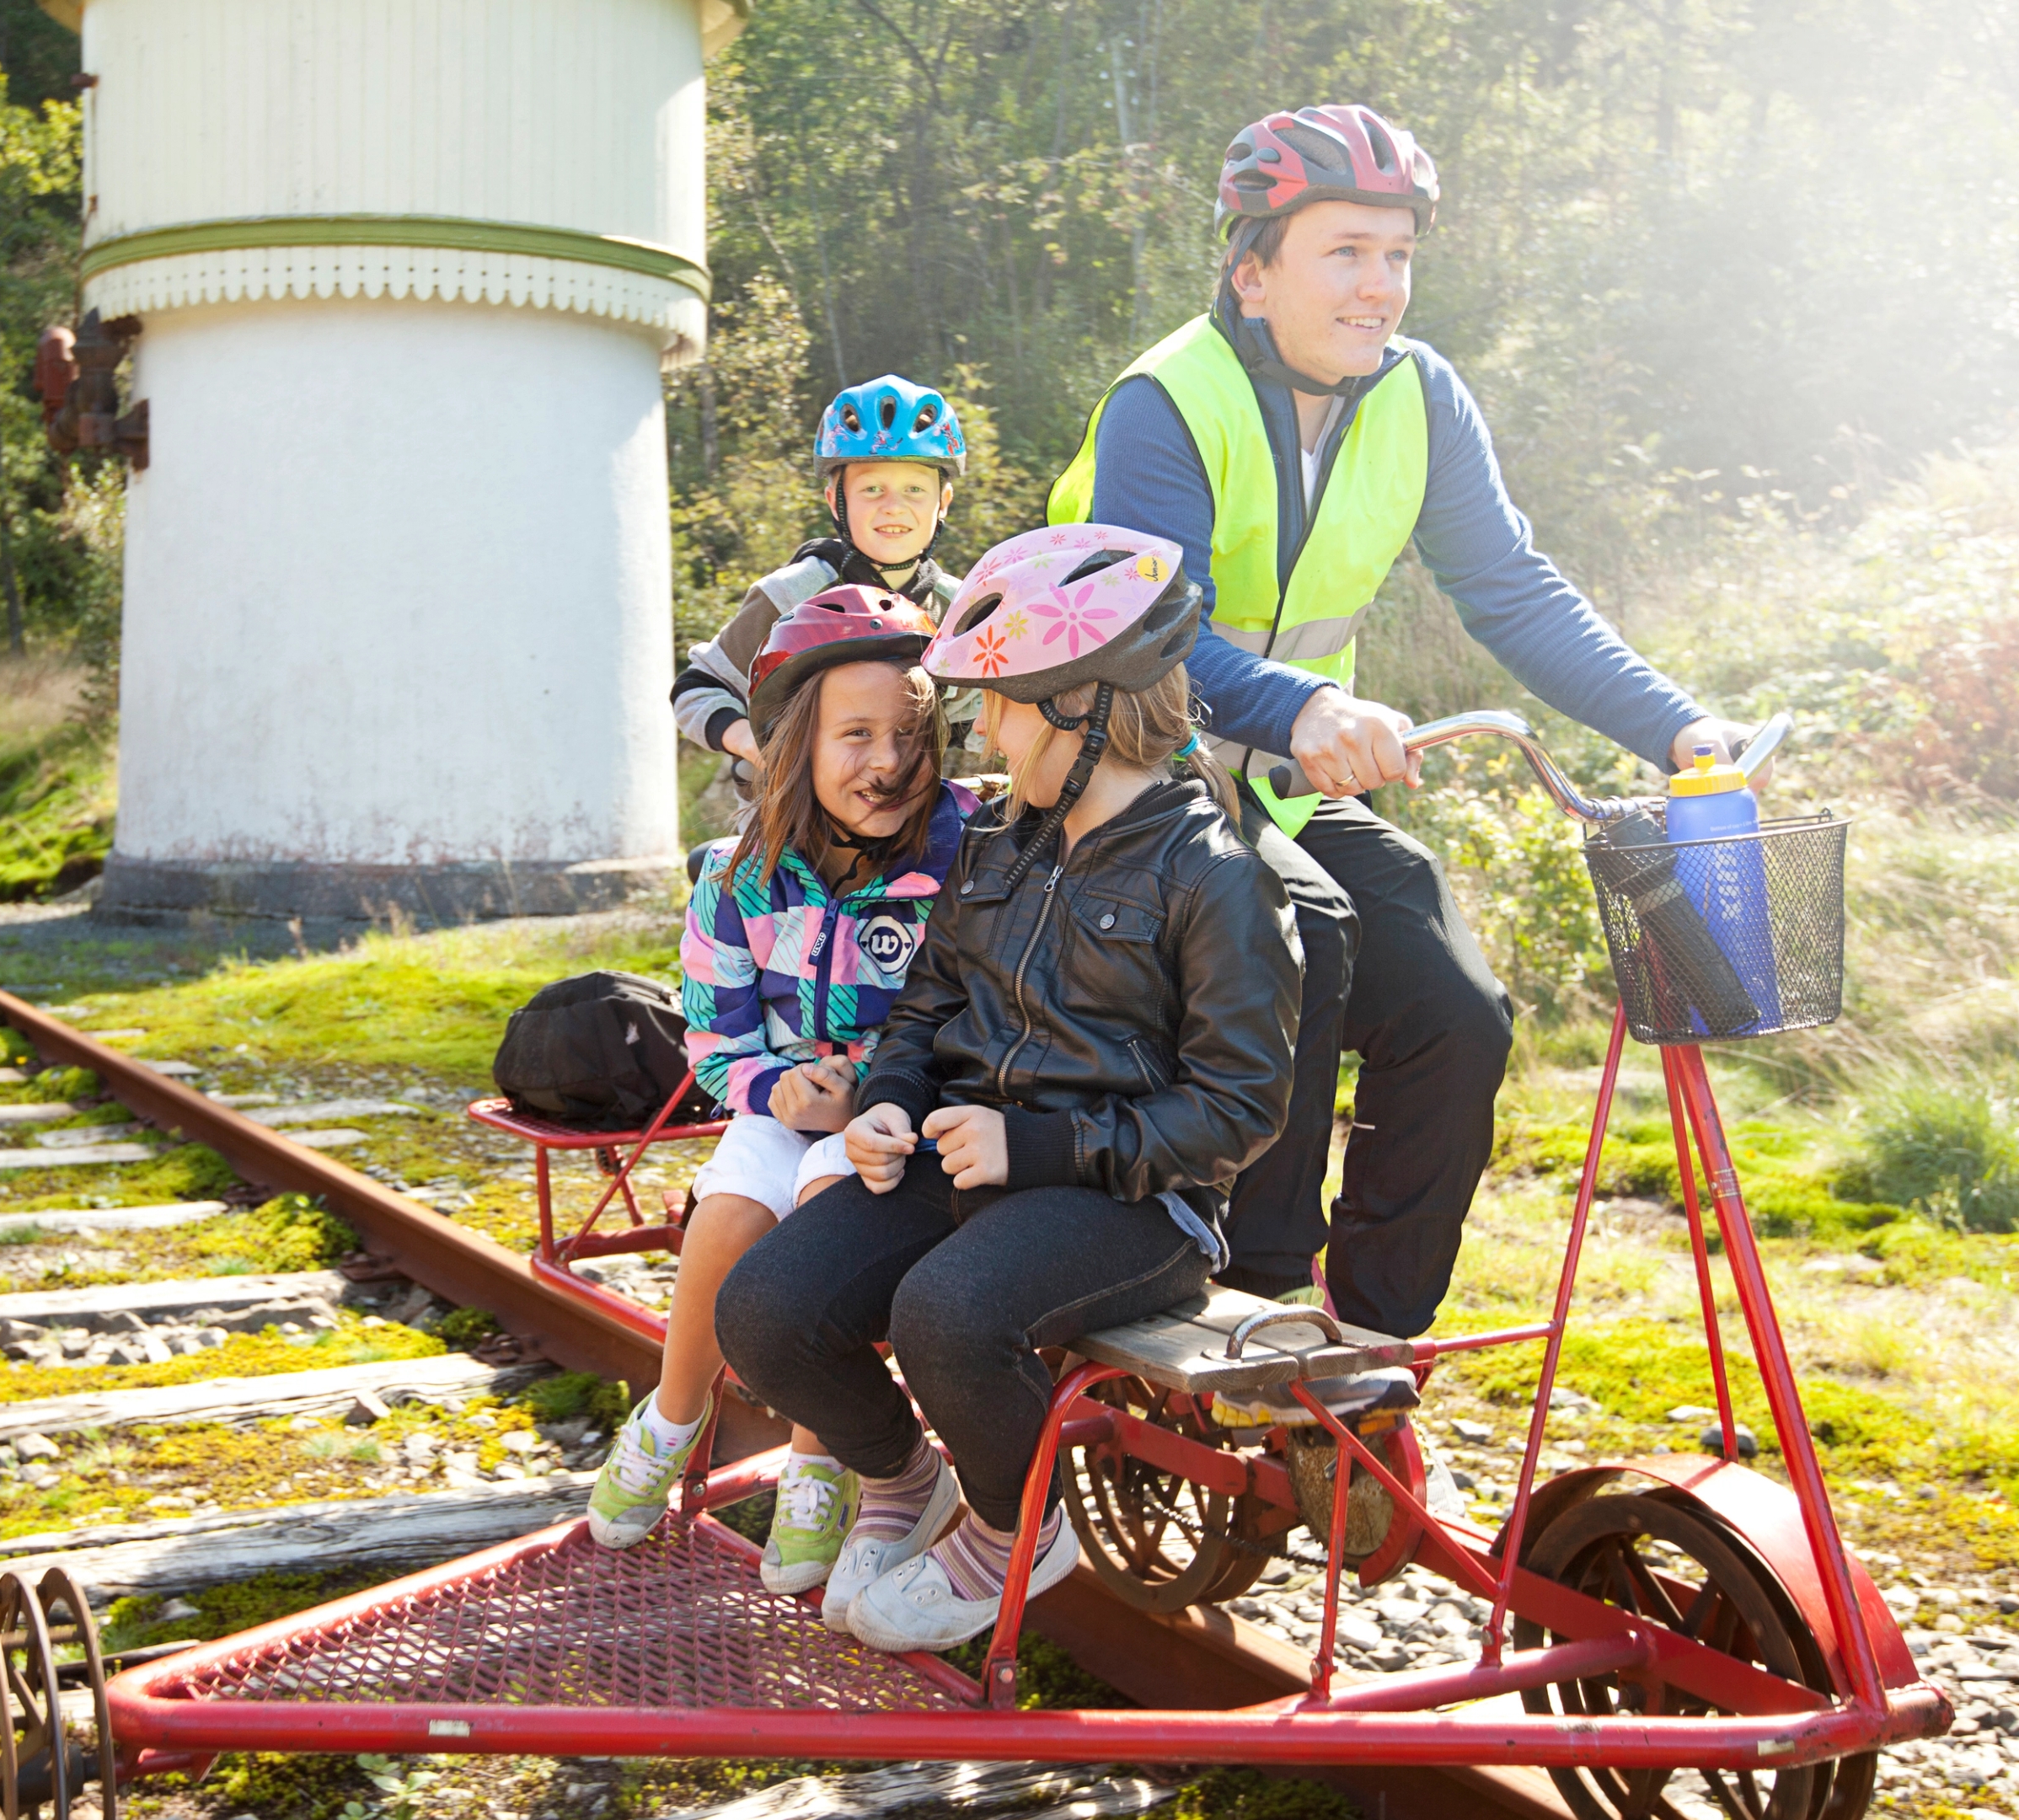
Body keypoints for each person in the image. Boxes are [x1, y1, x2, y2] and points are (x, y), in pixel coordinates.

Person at [1044, 104, 1754, 1342]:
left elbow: (1514, 591)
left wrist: (1677, 728)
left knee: (1454, 1009)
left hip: (1288, 783)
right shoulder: (1168, 400)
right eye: (1347, 253)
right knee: (1293, 950)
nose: (1381, 287)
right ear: (1252, 272)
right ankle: (1248, 1302)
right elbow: (1153, 630)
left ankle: (1371, 1340)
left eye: (1400, 255)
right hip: (1126, 774)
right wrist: (1304, 703)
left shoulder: (1421, 395)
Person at [712, 524, 1305, 1653]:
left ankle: (1012, 1530)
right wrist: (888, 1098)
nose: (979, 730)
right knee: (765, 1309)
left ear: (1084, 706)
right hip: (962, 1164)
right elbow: (931, 1004)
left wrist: (1040, 1147)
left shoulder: (1215, 880)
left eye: (1000, 703)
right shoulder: (1000, 840)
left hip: (1132, 1205)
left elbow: (1238, 1111)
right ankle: (904, 1477)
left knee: (950, 1311)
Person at [586, 588, 981, 1599]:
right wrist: (781, 1085)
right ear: (792, 746)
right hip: (786, 1102)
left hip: (904, 1125)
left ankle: (818, 1457)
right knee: (729, 1211)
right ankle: (673, 1415)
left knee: (819, 1229)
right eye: (854, 735)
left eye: (910, 733)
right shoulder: (738, 877)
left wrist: (883, 1096)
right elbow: (715, 1041)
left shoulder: (968, 860)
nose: (886, 761)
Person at [672, 376, 970, 795]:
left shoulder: (959, 609)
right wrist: (758, 748)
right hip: (790, 823)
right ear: (836, 501)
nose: (894, 506)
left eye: (915, 489)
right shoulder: (792, 593)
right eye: (872, 489)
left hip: (910, 816)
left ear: (943, 503)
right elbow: (697, 690)